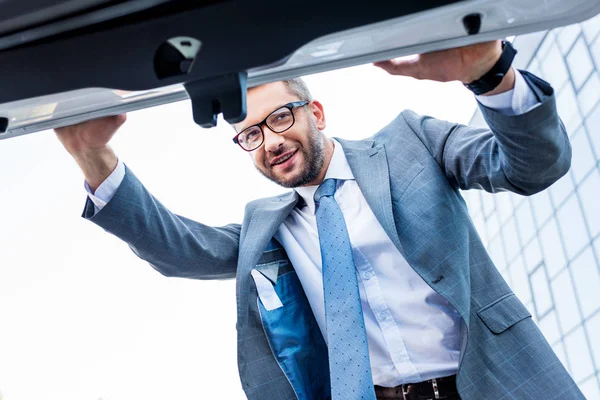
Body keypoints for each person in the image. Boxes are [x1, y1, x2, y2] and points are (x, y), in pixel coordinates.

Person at [55, 40, 583, 400]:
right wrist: (92, 159)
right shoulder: (268, 227)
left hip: (497, 382)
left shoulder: (411, 142)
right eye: (251, 136)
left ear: (317, 113)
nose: (271, 141)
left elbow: (534, 166)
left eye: (279, 118)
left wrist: (492, 75)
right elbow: (176, 249)